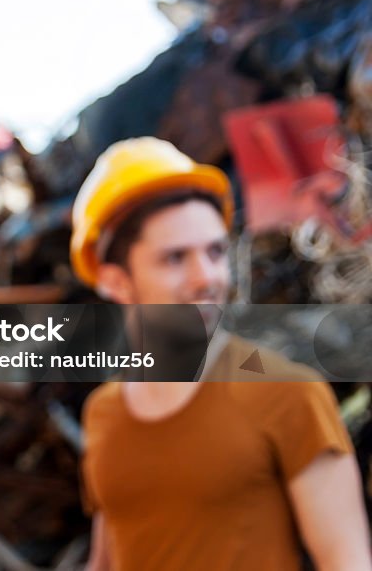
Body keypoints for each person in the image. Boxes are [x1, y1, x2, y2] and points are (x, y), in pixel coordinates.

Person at [69, 137, 372, 570]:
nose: (206, 278)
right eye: (175, 258)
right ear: (117, 282)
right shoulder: (104, 414)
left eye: (215, 252)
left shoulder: (288, 394)